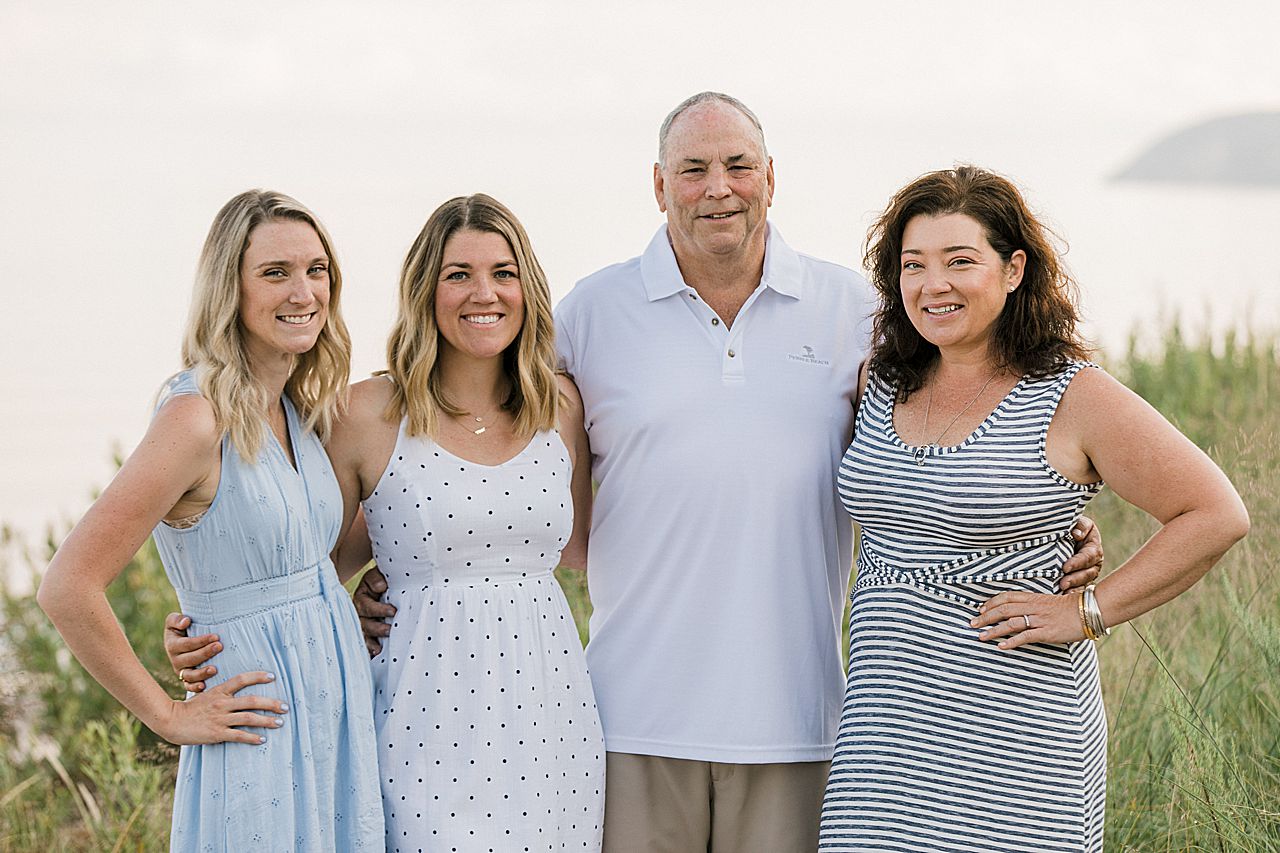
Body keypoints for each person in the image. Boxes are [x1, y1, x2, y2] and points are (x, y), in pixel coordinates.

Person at [355, 94, 1102, 851]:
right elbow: (493, 440)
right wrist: (410, 567)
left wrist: (1042, 519)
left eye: (739, 165)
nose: (719, 187)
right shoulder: (591, 313)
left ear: (771, 177)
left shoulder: (854, 311)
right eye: (693, 169)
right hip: (629, 722)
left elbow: (938, 429)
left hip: (798, 724)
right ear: (658, 185)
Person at [818, 165, 1249, 852]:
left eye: (962, 261)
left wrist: (1087, 610)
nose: (935, 285)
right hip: (883, 737)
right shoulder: (879, 381)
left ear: (1014, 268)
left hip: (1019, 741)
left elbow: (1215, 512)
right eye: (914, 264)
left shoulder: (1071, 393)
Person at [170, 194, 605, 851]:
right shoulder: (365, 413)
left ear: (529, 288)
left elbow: (578, 553)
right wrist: (208, 627)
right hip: (421, 719)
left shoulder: (561, 403)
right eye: (458, 274)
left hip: (552, 719)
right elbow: (302, 569)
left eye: (503, 273)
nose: (483, 292)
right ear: (426, 290)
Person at [37, 190, 384, 851]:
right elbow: (67, 584)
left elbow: (310, 559)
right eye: (275, 272)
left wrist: (355, 592)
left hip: (332, 720)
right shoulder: (195, 418)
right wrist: (169, 714)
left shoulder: (300, 411)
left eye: (317, 270)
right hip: (257, 727)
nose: (303, 290)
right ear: (231, 288)